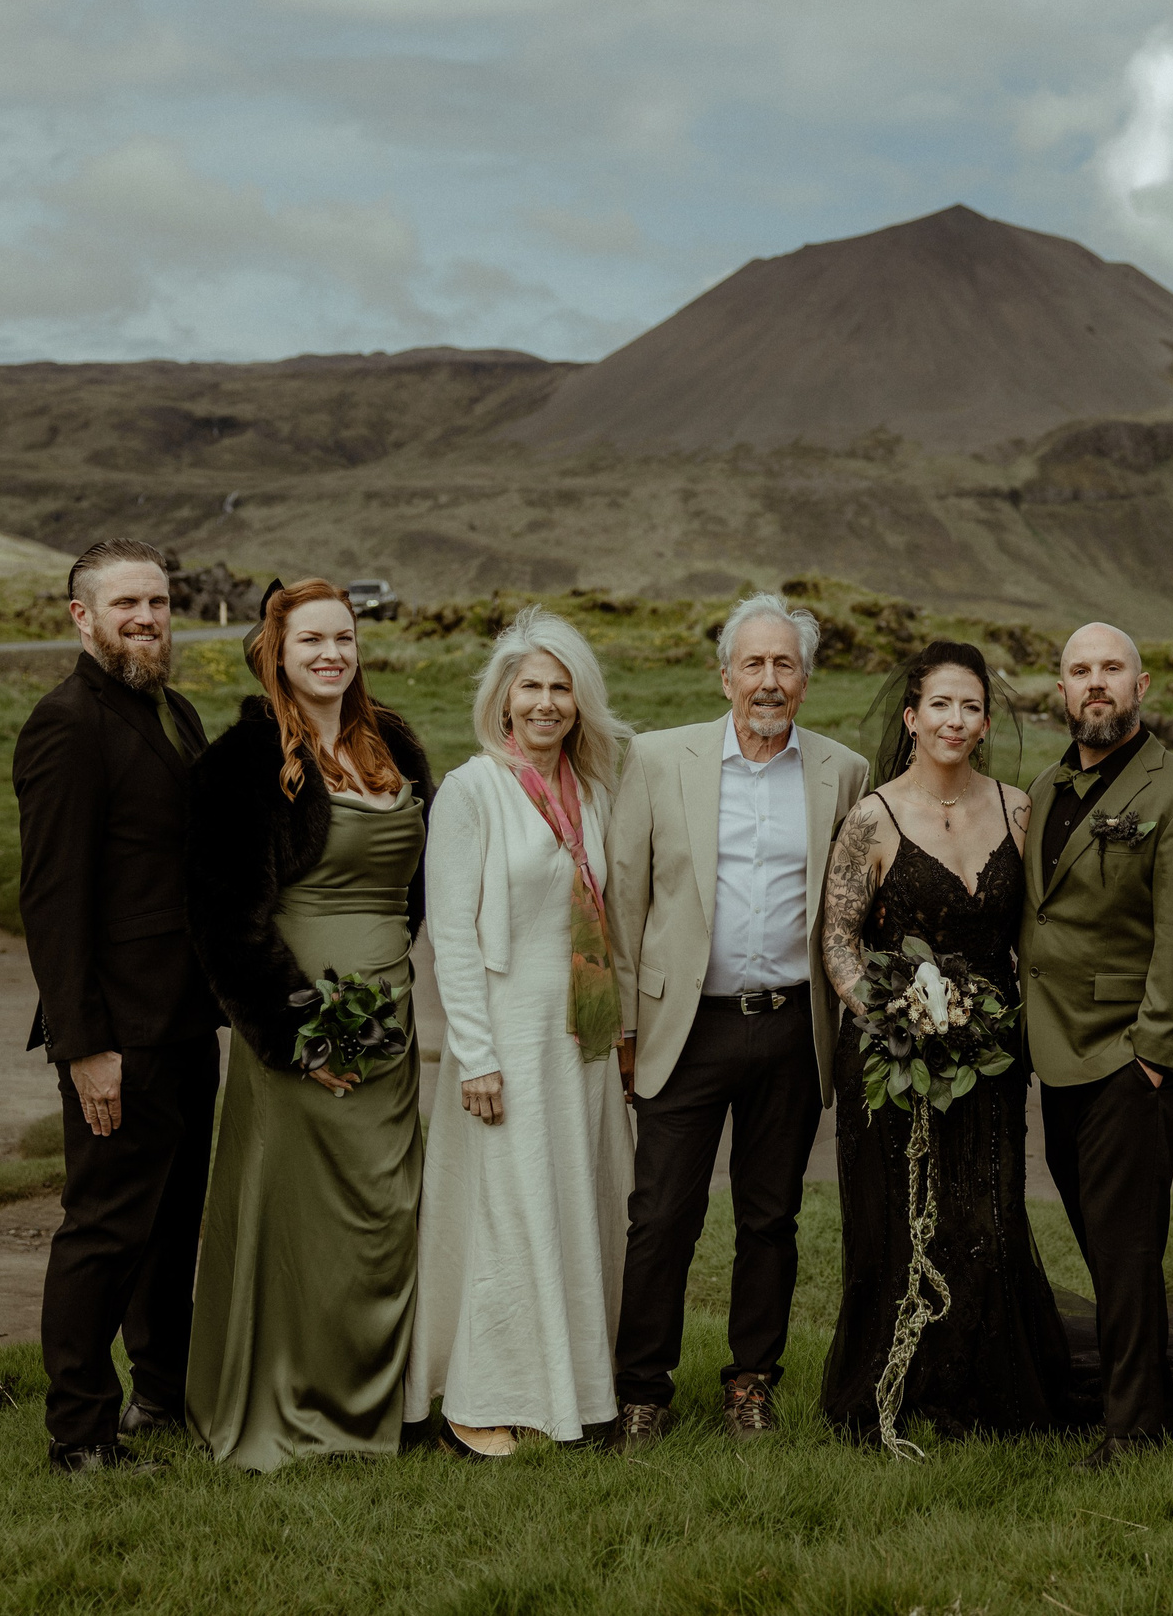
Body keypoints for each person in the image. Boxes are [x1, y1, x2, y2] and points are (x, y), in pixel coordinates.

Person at [604, 592, 870, 1446]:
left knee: (771, 1217)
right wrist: (623, 1027)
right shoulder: (655, 760)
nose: (767, 680)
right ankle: (641, 1386)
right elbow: (625, 903)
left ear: (805, 680)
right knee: (661, 1215)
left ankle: (750, 1383)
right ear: (725, 676)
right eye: (752, 663)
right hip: (686, 1026)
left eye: (784, 664)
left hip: (793, 1029)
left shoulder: (843, 772)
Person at [182, 579, 435, 1472]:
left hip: (390, 1015)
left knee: (387, 1209)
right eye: (311, 641)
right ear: (275, 652)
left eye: (344, 638)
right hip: (296, 1020)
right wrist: (302, 1035)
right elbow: (225, 923)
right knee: (304, 1220)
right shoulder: (246, 760)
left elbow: (415, 890)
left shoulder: (395, 745)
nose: (331, 654)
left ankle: (386, 1399)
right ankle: (288, 1406)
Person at [816, 641, 1073, 1442]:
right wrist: (892, 1019)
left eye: (970, 707)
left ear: (985, 721)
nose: (955, 720)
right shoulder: (874, 818)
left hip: (990, 1061)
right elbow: (839, 939)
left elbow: (1042, 932)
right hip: (895, 1064)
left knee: (986, 1218)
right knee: (896, 1219)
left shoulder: (1018, 810)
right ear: (912, 717)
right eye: (940, 705)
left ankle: (982, 1393)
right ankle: (898, 1386)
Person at [13, 540, 227, 1474]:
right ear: (81, 617)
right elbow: (53, 900)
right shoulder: (66, 724)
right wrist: (83, 1045)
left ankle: (162, 1395)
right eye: (127, 605)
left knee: (172, 1222)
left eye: (158, 602)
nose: (147, 618)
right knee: (103, 1230)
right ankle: (79, 1434)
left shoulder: (171, 711)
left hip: (186, 1023)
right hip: (119, 1036)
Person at [407, 606, 637, 1458]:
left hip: (578, 1029)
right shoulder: (474, 790)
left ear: (581, 701)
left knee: (578, 1203)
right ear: (503, 701)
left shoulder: (595, 791)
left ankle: (575, 1384)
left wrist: (618, 1034)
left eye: (560, 687)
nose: (545, 702)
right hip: (503, 1036)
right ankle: (478, 1398)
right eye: (529, 687)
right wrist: (474, 1055)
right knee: (508, 1209)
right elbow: (452, 935)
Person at [1019, 622, 1173, 1470]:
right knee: (1097, 1234)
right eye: (1080, 671)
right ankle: (1135, 1390)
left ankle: (1136, 1430)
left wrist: (1153, 1057)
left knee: (1126, 1241)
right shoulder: (1044, 786)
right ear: (1062, 690)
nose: (1095, 683)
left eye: (1112, 669)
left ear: (1143, 687)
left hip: (1128, 1057)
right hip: (1057, 1050)